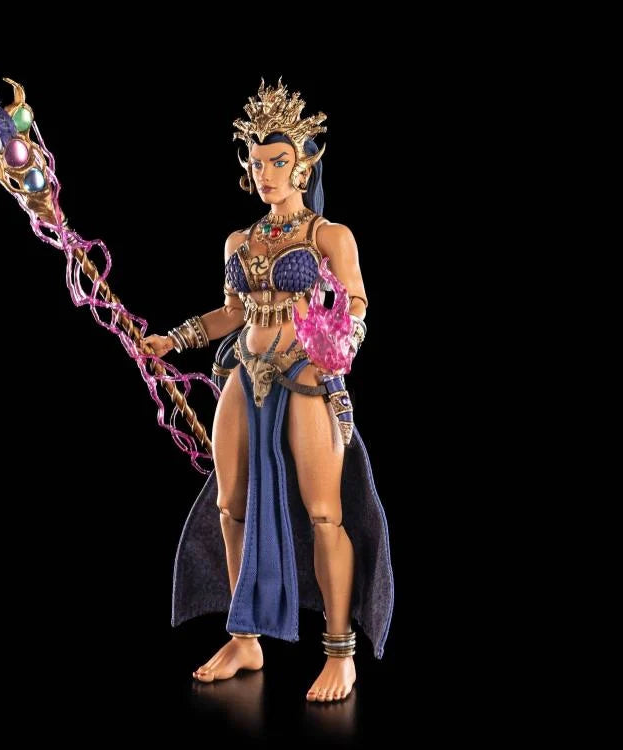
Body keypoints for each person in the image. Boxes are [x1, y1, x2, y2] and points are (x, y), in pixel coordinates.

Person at [143, 79, 393, 703]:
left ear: (303, 164)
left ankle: (340, 651)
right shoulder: (241, 241)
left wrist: (337, 347)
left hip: (305, 375)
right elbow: (232, 314)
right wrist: (174, 339)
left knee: (325, 511)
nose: (266, 174)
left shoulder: (330, 235)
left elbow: (357, 304)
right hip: (244, 371)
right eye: (256, 163)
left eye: (278, 161)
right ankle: (245, 636)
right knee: (230, 505)